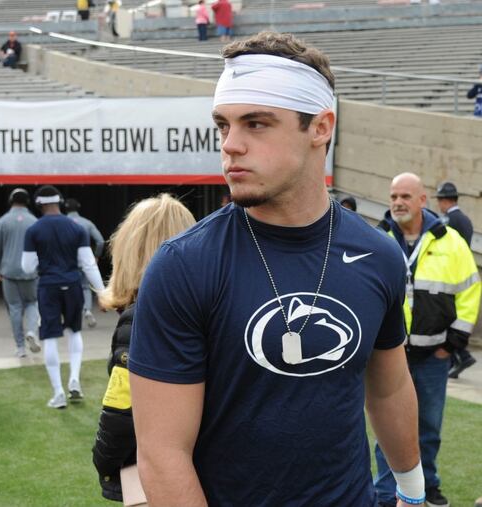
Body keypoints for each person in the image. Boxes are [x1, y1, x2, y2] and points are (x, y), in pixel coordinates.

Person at [129, 31, 424, 506]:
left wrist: (411, 492)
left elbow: (389, 389)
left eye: (257, 124)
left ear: (320, 127)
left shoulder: (378, 255)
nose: (231, 145)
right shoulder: (184, 265)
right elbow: (162, 454)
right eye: (223, 125)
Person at [374, 172, 480, 507]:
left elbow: (469, 290)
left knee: (429, 427)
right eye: (393, 196)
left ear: (423, 201)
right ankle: (385, 491)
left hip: (433, 353)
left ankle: (428, 486)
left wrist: (453, 342)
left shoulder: (450, 241)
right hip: (391, 357)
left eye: (405, 196)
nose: (397, 203)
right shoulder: (378, 240)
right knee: (386, 430)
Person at [92, 194, 195, 502]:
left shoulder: (141, 318)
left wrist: (105, 462)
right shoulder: (207, 308)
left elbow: (121, 411)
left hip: (150, 473)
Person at [22, 185, 104, 409]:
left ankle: (58, 392)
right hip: (73, 284)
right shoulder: (77, 228)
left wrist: (44, 261)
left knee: (49, 337)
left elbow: (27, 267)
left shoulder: (33, 230)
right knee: (74, 331)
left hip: (48, 286)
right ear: (60, 202)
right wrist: (102, 293)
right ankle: (74, 378)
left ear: (38, 204)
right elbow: (88, 264)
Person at [433, 181, 478, 379]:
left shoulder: (449, 220)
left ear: (444, 201)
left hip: (450, 275)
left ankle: (461, 356)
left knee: (449, 319)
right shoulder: (465, 219)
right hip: (463, 273)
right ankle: (458, 358)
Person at [0, 188, 41, 357]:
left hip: (8, 271)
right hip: (30, 271)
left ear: (11, 201)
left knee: (14, 307)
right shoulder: (34, 221)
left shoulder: (2, 221)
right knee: (32, 303)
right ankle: (32, 332)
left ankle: (20, 347)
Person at [65, 198, 104, 328]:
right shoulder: (87, 223)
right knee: (86, 287)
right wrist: (96, 255)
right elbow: (100, 241)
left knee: (69, 288)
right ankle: (87, 310)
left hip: (67, 262)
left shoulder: (62, 223)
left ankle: (71, 315)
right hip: (85, 261)